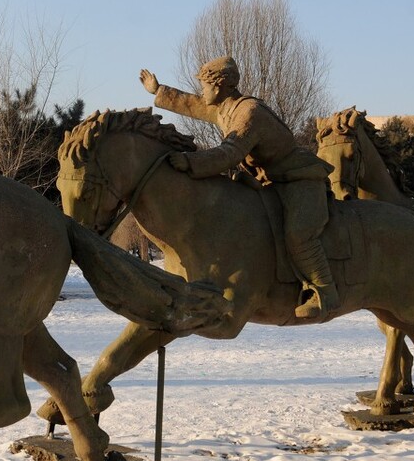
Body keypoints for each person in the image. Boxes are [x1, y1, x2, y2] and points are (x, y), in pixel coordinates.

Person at [140, 56, 340, 319]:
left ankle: (325, 292)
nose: (202, 91)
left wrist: (189, 161)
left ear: (220, 86)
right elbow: (194, 104)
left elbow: (229, 153)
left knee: (299, 234)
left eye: (204, 85)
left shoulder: (249, 113)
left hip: (299, 180)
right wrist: (159, 91)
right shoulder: (226, 108)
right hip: (268, 181)